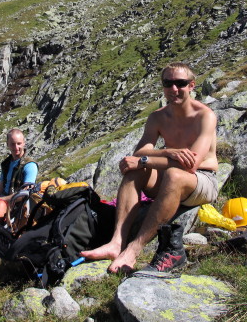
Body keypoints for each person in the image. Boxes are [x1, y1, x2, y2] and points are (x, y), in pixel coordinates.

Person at [81, 62, 219, 274]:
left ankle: (133, 250)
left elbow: (191, 164)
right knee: (135, 170)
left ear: (191, 85)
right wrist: (165, 152)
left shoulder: (205, 116)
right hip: (172, 175)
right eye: (168, 83)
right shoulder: (158, 117)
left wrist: (146, 160)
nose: (174, 89)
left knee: (172, 174)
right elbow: (139, 152)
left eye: (180, 83)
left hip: (202, 180)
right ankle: (116, 242)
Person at [0, 128, 39, 201]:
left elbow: (25, 193)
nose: (16, 147)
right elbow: (0, 188)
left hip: (18, 205)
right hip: (3, 200)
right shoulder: (6, 163)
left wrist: (0, 200)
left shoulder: (30, 165)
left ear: (24, 143)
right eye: (12, 144)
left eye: (19, 143)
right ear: (7, 144)